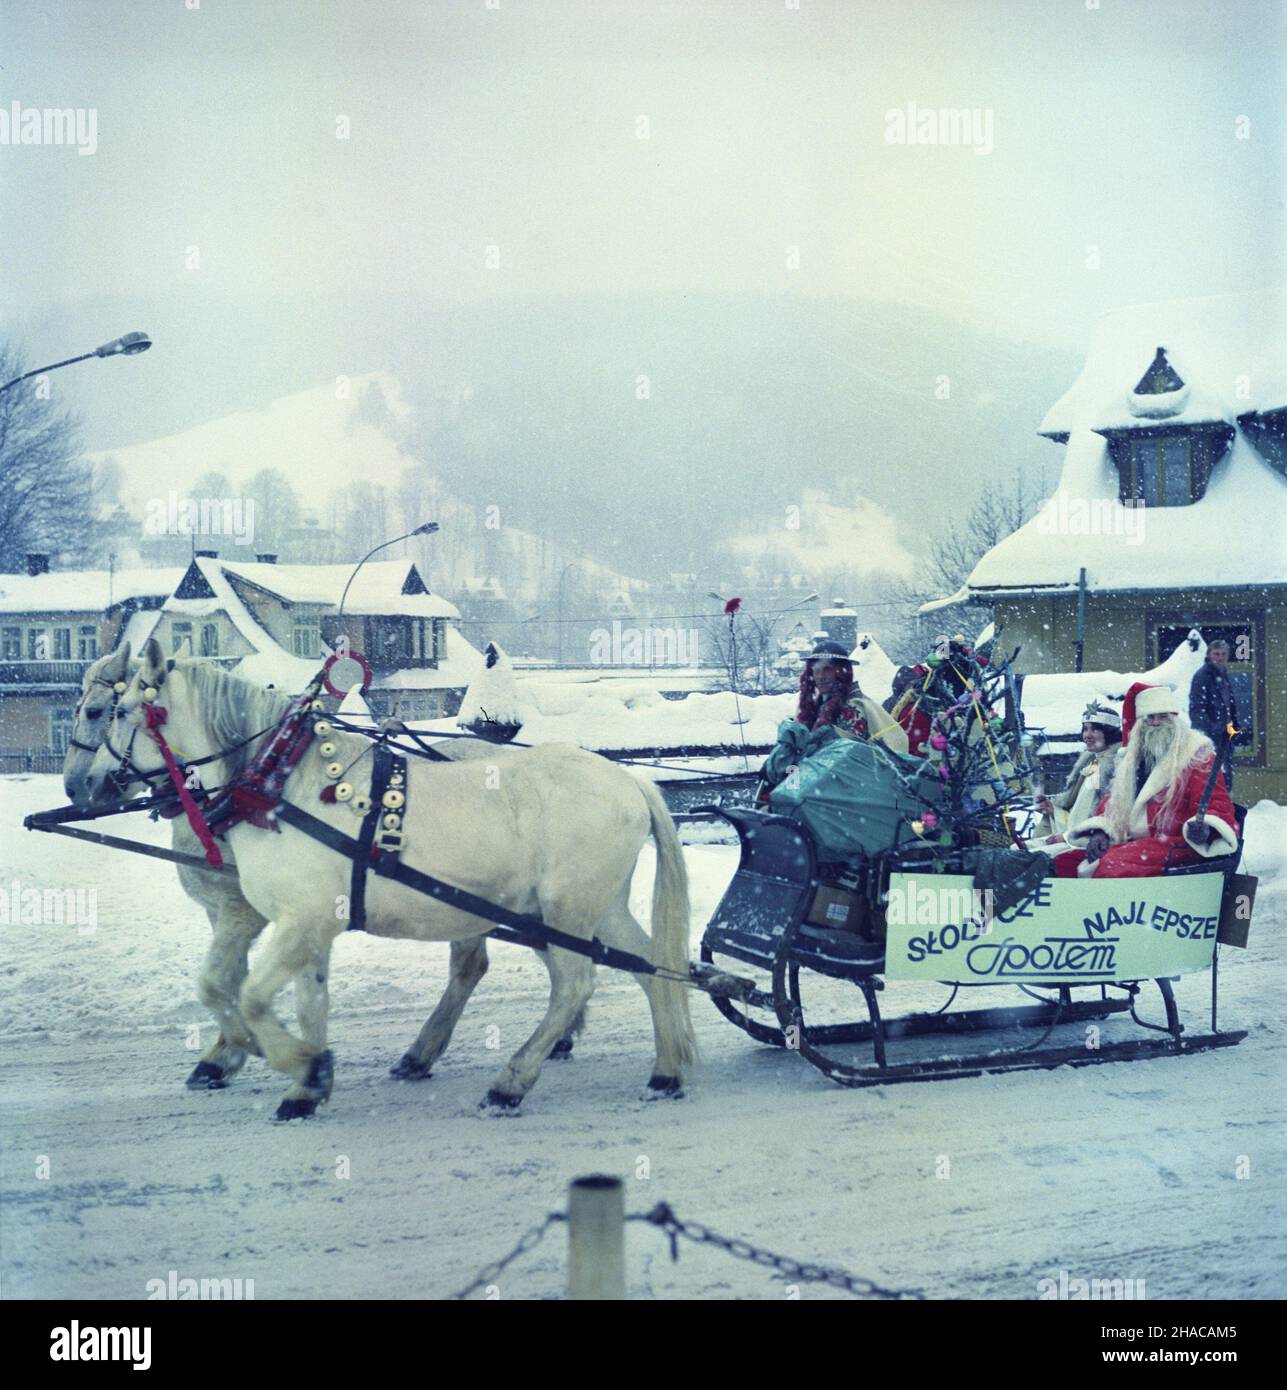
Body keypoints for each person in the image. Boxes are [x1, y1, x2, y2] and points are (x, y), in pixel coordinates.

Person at [1052, 681, 1238, 879]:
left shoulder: (1196, 755)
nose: (1156, 722)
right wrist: (1101, 832)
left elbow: (1216, 805)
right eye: (1150, 717)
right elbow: (1111, 803)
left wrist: (1207, 828)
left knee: (1112, 864)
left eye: (1163, 716)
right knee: (1065, 862)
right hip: (1134, 842)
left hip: (1177, 843)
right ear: (1141, 722)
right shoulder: (1131, 757)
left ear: (1174, 719)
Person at [760, 639, 908, 793]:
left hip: (846, 790)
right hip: (820, 783)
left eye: (827, 669)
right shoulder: (817, 705)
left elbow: (841, 759)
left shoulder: (853, 707)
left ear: (842, 672)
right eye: (816, 670)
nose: (820, 676)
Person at [1033, 702, 1121, 851]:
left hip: (1085, 844)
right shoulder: (1093, 762)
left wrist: (1066, 836)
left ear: (1110, 733)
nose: (1087, 735)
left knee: (1030, 855)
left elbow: (1101, 819)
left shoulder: (1114, 767)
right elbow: (1079, 814)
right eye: (1085, 729)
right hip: (1071, 837)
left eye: (1095, 729)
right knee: (1020, 848)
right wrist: (1054, 811)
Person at [1188, 637, 1239, 791]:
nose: (1220, 657)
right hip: (1210, 737)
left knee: (1225, 776)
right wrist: (1210, 731)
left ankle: (1224, 809)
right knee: (1211, 777)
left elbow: (1229, 706)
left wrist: (1234, 727)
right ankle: (1210, 810)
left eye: (1223, 654)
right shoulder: (1202, 676)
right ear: (1209, 655)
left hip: (1225, 734)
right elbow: (1196, 709)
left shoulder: (1223, 674)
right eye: (1216, 654)